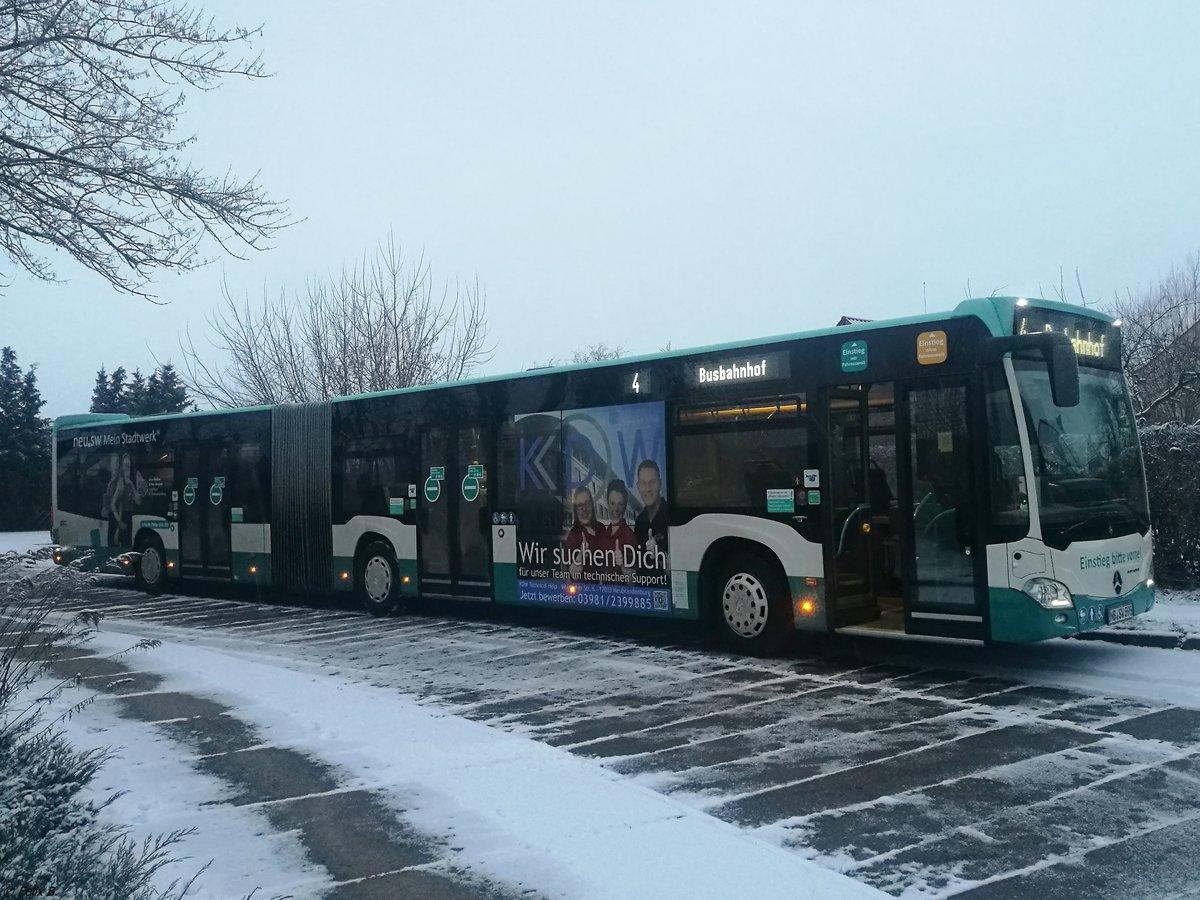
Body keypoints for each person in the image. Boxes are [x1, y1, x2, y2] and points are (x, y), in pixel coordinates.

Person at [564, 486, 612, 578]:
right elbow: (572, 575)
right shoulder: (573, 536)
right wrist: (580, 557)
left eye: (587, 504)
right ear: (575, 510)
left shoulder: (601, 528)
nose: (584, 509)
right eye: (580, 506)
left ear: (592, 505)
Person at [633, 459, 668, 564]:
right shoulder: (639, 522)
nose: (648, 489)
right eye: (643, 483)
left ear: (660, 483)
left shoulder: (672, 514)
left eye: (652, 482)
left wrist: (660, 554)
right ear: (638, 487)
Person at [605, 479, 636, 572]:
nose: (616, 509)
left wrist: (622, 565)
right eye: (612, 503)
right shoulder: (605, 532)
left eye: (620, 504)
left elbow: (633, 581)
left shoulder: (629, 536)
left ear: (625, 506)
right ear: (607, 504)